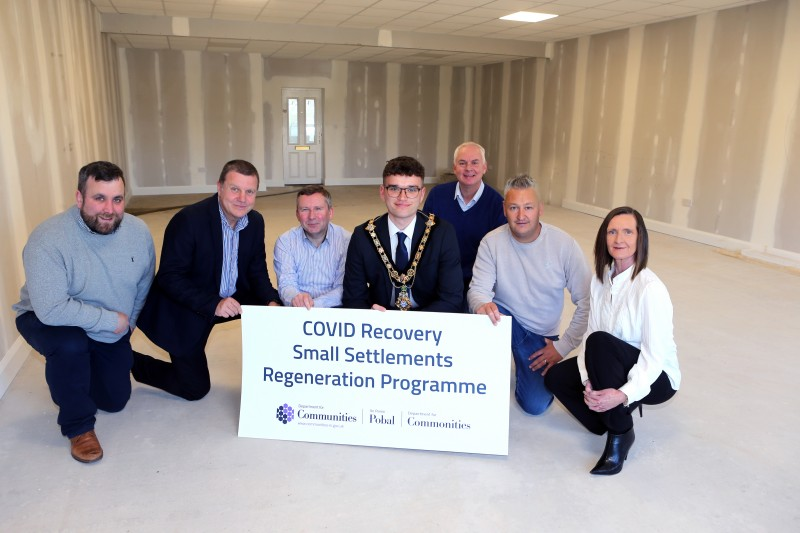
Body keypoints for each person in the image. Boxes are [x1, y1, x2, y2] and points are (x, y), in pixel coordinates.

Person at [13, 161, 155, 463]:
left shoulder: (138, 232)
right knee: (70, 345)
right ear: (79, 198)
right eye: (99, 198)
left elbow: (144, 283)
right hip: (45, 317)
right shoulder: (48, 239)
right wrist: (109, 320)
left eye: (117, 199)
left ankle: (72, 377)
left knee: (115, 401)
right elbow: (51, 309)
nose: (109, 209)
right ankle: (78, 427)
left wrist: (128, 325)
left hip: (110, 323)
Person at [545, 207, 681, 475]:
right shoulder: (600, 280)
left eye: (628, 231)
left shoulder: (650, 289)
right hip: (610, 361)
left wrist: (623, 394)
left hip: (655, 376)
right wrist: (587, 381)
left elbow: (654, 357)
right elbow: (589, 334)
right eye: (612, 231)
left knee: (601, 342)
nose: (619, 238)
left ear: (640, 238)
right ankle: (603, 419)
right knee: (556, 378)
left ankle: (621, 432)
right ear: (604, 238)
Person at [132, 159, 281, 401]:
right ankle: (130, 360)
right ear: (219, 187)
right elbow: (170, 277)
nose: (242, 198)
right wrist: (214, 304)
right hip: (186, 306)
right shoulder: (189, 221)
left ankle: (279, 376)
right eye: (235, 189)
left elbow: (256, 271)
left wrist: (271, 302)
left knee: (276, 307)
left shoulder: (255, 222)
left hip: (228, 294)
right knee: (195, 388)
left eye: (249, 191)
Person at [468, 174, 591, 415]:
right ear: (504, 209)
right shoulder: (491, 242)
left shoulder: (564, 245)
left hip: (539, 335)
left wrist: (563, 347)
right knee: (473, 312)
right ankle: (487, 371)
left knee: (534, 405)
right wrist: (481, 305)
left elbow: (587, 302)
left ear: (540, 209)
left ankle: (524, 367)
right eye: (514, 207)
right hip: (502, 321)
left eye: (528, 207)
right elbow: (478, 291)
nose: (521, 215)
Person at [342, 156, 463, 312]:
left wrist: (412, 327)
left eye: (412, 189)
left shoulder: (442, 233)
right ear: (382, 192)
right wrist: (369, 314)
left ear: (422, 194)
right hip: (380, 322)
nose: (402, 197)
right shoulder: (363, 236)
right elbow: (353, 298)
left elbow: (452, 298)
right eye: (394, 188)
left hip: (429, 322)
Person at [423, 142, 505, 304]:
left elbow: (499, 254)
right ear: (454, 168)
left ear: (484, 167)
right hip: (441, 276)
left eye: (475, 162)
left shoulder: (497, 204)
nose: (468, 168)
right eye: (462, 163)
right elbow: (425, 240)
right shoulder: (437, 195)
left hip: (477, 282)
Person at [273, 185, 351, 308]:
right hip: (296, 309)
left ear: (330, 212)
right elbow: (286, 284)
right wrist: (296, 298)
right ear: (297, 214)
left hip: (334, 311)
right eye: (304, 209)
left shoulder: (347, 241)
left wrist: (312, 305)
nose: (312, 216)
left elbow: (343, 288)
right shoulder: (285, 242)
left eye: (318, 209)